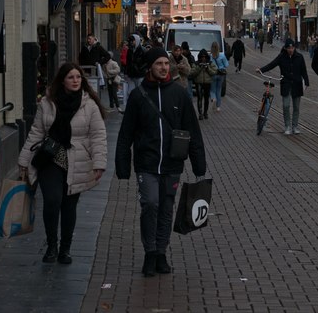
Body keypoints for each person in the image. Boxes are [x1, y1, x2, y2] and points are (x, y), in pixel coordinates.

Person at [115, 47, 206, 277]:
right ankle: (150, 252)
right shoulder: (138, 96)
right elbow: (126, 133)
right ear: (150, 67)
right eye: (159, 64)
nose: (164, 67)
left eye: (166, 63)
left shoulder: (179, 94)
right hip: (147, 163)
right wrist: (123, 165)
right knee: (151, 204)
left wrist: (199, 165)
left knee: (166, 208)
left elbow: (192, 131)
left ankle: (161, 253)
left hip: (172, 163)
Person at [18, 62, 107, 265]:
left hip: (77, 160)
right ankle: (51, 245)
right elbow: (36, 132)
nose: (75, 81)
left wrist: (99, 162)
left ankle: (65, 249)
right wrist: (23, 160)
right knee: (52, 200)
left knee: (69, 206)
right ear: (62, 80)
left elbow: (98, 135)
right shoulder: (48, 103)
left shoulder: (89, 105)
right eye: (71, 77)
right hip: (50, 157)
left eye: (78, 77)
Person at [257, 38, 309, 135]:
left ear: (294, 48)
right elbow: (272, 64)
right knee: (286, 105)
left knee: (296, 107)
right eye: (289, 48)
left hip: (297, 84)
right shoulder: (281, 57)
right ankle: (287, 126)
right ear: (285, 48)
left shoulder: (299, 57)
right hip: (286, 84)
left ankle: (295, 126)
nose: (291, 50)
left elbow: (304, 71)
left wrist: (306, 82)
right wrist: (261, 70)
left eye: (292, 48)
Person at [190, 49, 217, 119]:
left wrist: (207, 68)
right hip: (199, 82)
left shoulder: (210, 63)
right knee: (199, 98)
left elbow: (214, 72)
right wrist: (200, 67)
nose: (203, 58)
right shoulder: (196, 63)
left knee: (206, 98)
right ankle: (200, 113)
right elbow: (192, 73)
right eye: (202, 57)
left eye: (205, 57)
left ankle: (205, 112)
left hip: (207, 83)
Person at [210, 41, 229, 113]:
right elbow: (227, 65)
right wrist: (222, 66)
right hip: (221, 74)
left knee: (212, 89)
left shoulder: (210, 56)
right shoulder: (222, 55)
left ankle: (213, 98)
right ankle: (218, 107)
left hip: (213, 74)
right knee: (219, 90)